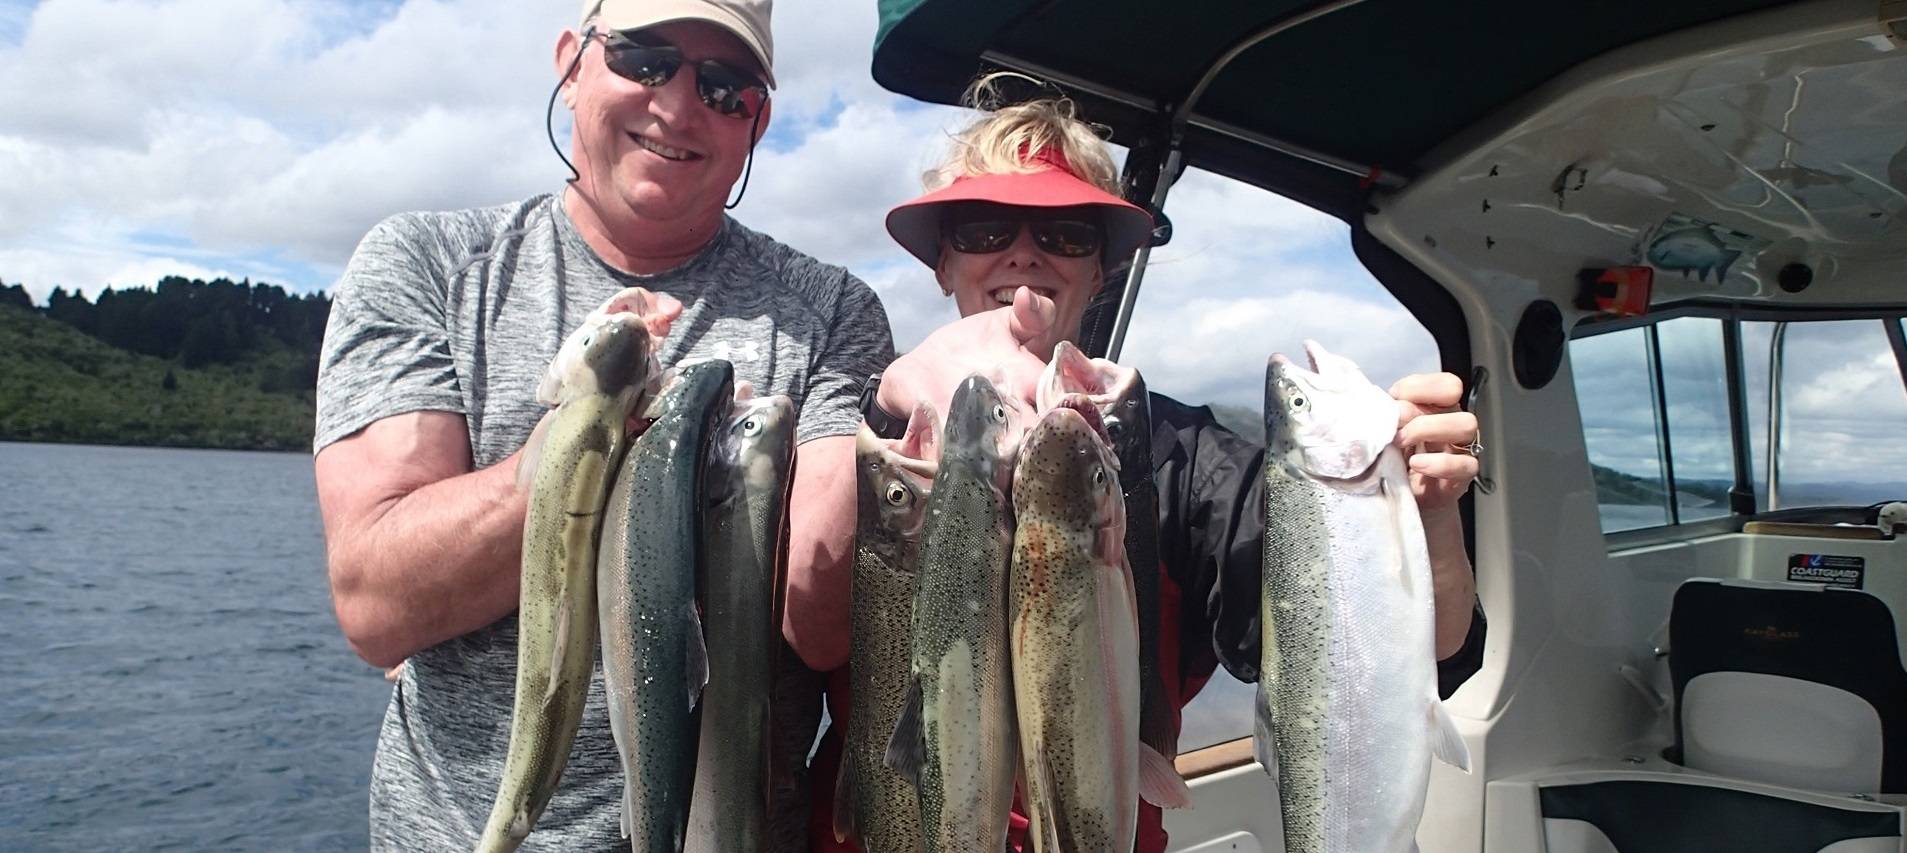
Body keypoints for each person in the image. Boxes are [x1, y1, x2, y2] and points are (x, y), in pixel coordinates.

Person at [806, 78, 1486, 853]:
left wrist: (1417, 514)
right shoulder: (872, 440)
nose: (1023, 252)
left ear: (1101, 271)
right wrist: (894, 394)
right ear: (942, 264)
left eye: (1066, 235)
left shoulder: (1184, 460)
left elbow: (1419, 648)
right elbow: (797, 625)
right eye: (984, 227)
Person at [311, 0, 890, 848]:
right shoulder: (425, 263)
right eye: (644, 58)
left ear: (756, 120)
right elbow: (376, 606)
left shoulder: (832, 312)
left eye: (725, 86)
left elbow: (819, 618)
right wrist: (579, 443)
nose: (678, 104)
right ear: (570, 64)